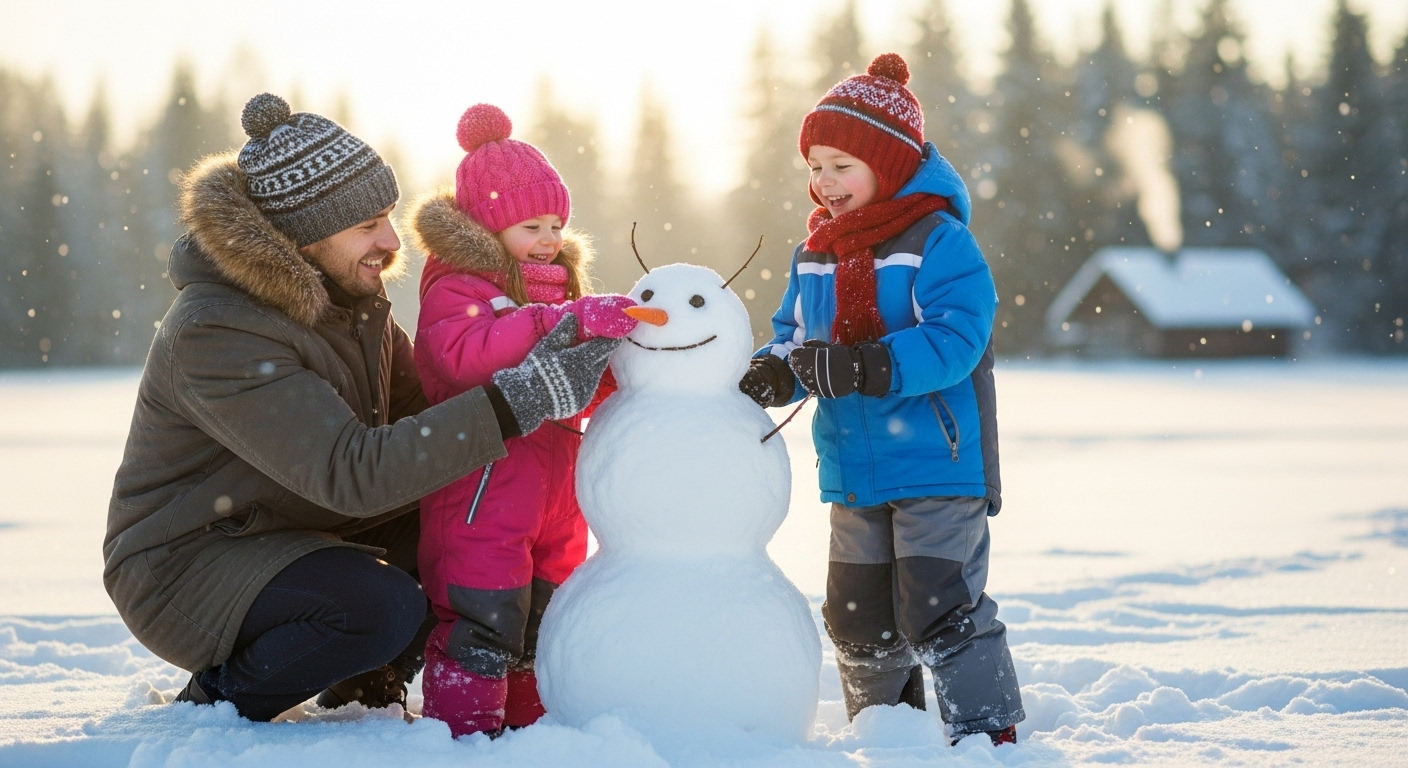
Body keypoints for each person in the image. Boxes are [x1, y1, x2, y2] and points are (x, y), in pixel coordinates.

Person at [103, 93, 618, 723]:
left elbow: (426, 415)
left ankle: (365, 687)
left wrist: (558, 351)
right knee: (380, 607)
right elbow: (352, 473)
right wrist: (524, 396)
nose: (392, 241)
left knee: (462, 529)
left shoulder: (352, 306)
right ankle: (216, 702)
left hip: (300, 525)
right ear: (305, 235)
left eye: (389, 217)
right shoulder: (218, 331)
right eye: (368, 224)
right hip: (190, 562)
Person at [738, 54, 1025, 746]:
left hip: (936, 462)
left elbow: (957, 338)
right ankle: (887, 735)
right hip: (855, 469)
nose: (824, 181)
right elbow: (796, 338)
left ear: (889, 164)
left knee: (937, 603)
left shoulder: (939, 241)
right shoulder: (816, 254)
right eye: (816, 166)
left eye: (842, 165)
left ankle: (988, 740)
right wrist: (775, 372)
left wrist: (865, 364)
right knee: (857, 615)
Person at [409, 103, 636, 738]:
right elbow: (463, 356)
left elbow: (579, 392)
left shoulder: (560, 294)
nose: (549, 238)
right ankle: (465, 736)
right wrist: (559, 322)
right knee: (482, 618)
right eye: (531, 225)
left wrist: (621, 362)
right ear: (488, 225)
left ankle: (531, 736)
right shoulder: (458, 290)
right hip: (481, 492)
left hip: (556, 500)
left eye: (557, 224)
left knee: (544, 624)